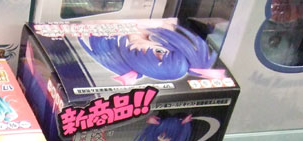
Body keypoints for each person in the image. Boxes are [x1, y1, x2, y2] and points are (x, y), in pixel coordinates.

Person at [79, 23, 219, 85]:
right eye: (159, 51)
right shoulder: (162, 26)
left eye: (136, 52)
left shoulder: (115, 39)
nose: (144, 48)